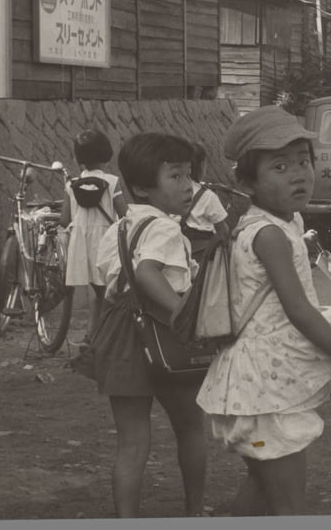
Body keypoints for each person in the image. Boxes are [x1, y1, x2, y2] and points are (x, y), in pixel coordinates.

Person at [196, 105, 331, 516]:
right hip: (264, 392)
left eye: (303, 161)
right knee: (288, 503)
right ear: (247, 182)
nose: (298, 174)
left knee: (263, 488)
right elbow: (299, 310)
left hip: (261, 386)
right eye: (279, 166)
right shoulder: (269, 234)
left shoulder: (282, 223)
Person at [90, 133, 206, 517]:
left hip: (121, 340)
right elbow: (146, 273)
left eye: (189, 175)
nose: (188, 185)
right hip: (165, 336)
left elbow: (105, 284)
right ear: (142, 187)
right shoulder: (166, 228)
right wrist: (182, 315)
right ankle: (194, 512)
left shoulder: (116, 229)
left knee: (131, 443)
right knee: (190, 427)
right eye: (175, 176)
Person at [59, 129, 128, 336]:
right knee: (107, 292)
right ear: (107, 154)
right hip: (106, 243)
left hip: (82, 247)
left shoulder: (71, 185)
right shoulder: (112, 182)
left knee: (96, 292)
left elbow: (65, 220)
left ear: (78, 158)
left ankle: (92, 335)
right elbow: (124, 214)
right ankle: (102, 337)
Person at [180, 141, 230, 258]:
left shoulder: (173, 189)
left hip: (179, 249)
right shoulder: (208, 196)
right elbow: (223, 230)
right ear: (202, 165)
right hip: (203, 255)